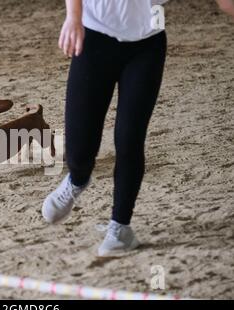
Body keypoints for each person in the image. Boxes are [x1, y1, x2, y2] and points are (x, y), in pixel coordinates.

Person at [42, 0, 234, 257]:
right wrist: (73, 17)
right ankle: (77, 180)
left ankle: (120, 228)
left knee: (130, 137)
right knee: (79, 147)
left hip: (148, 43)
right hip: (94, 35)